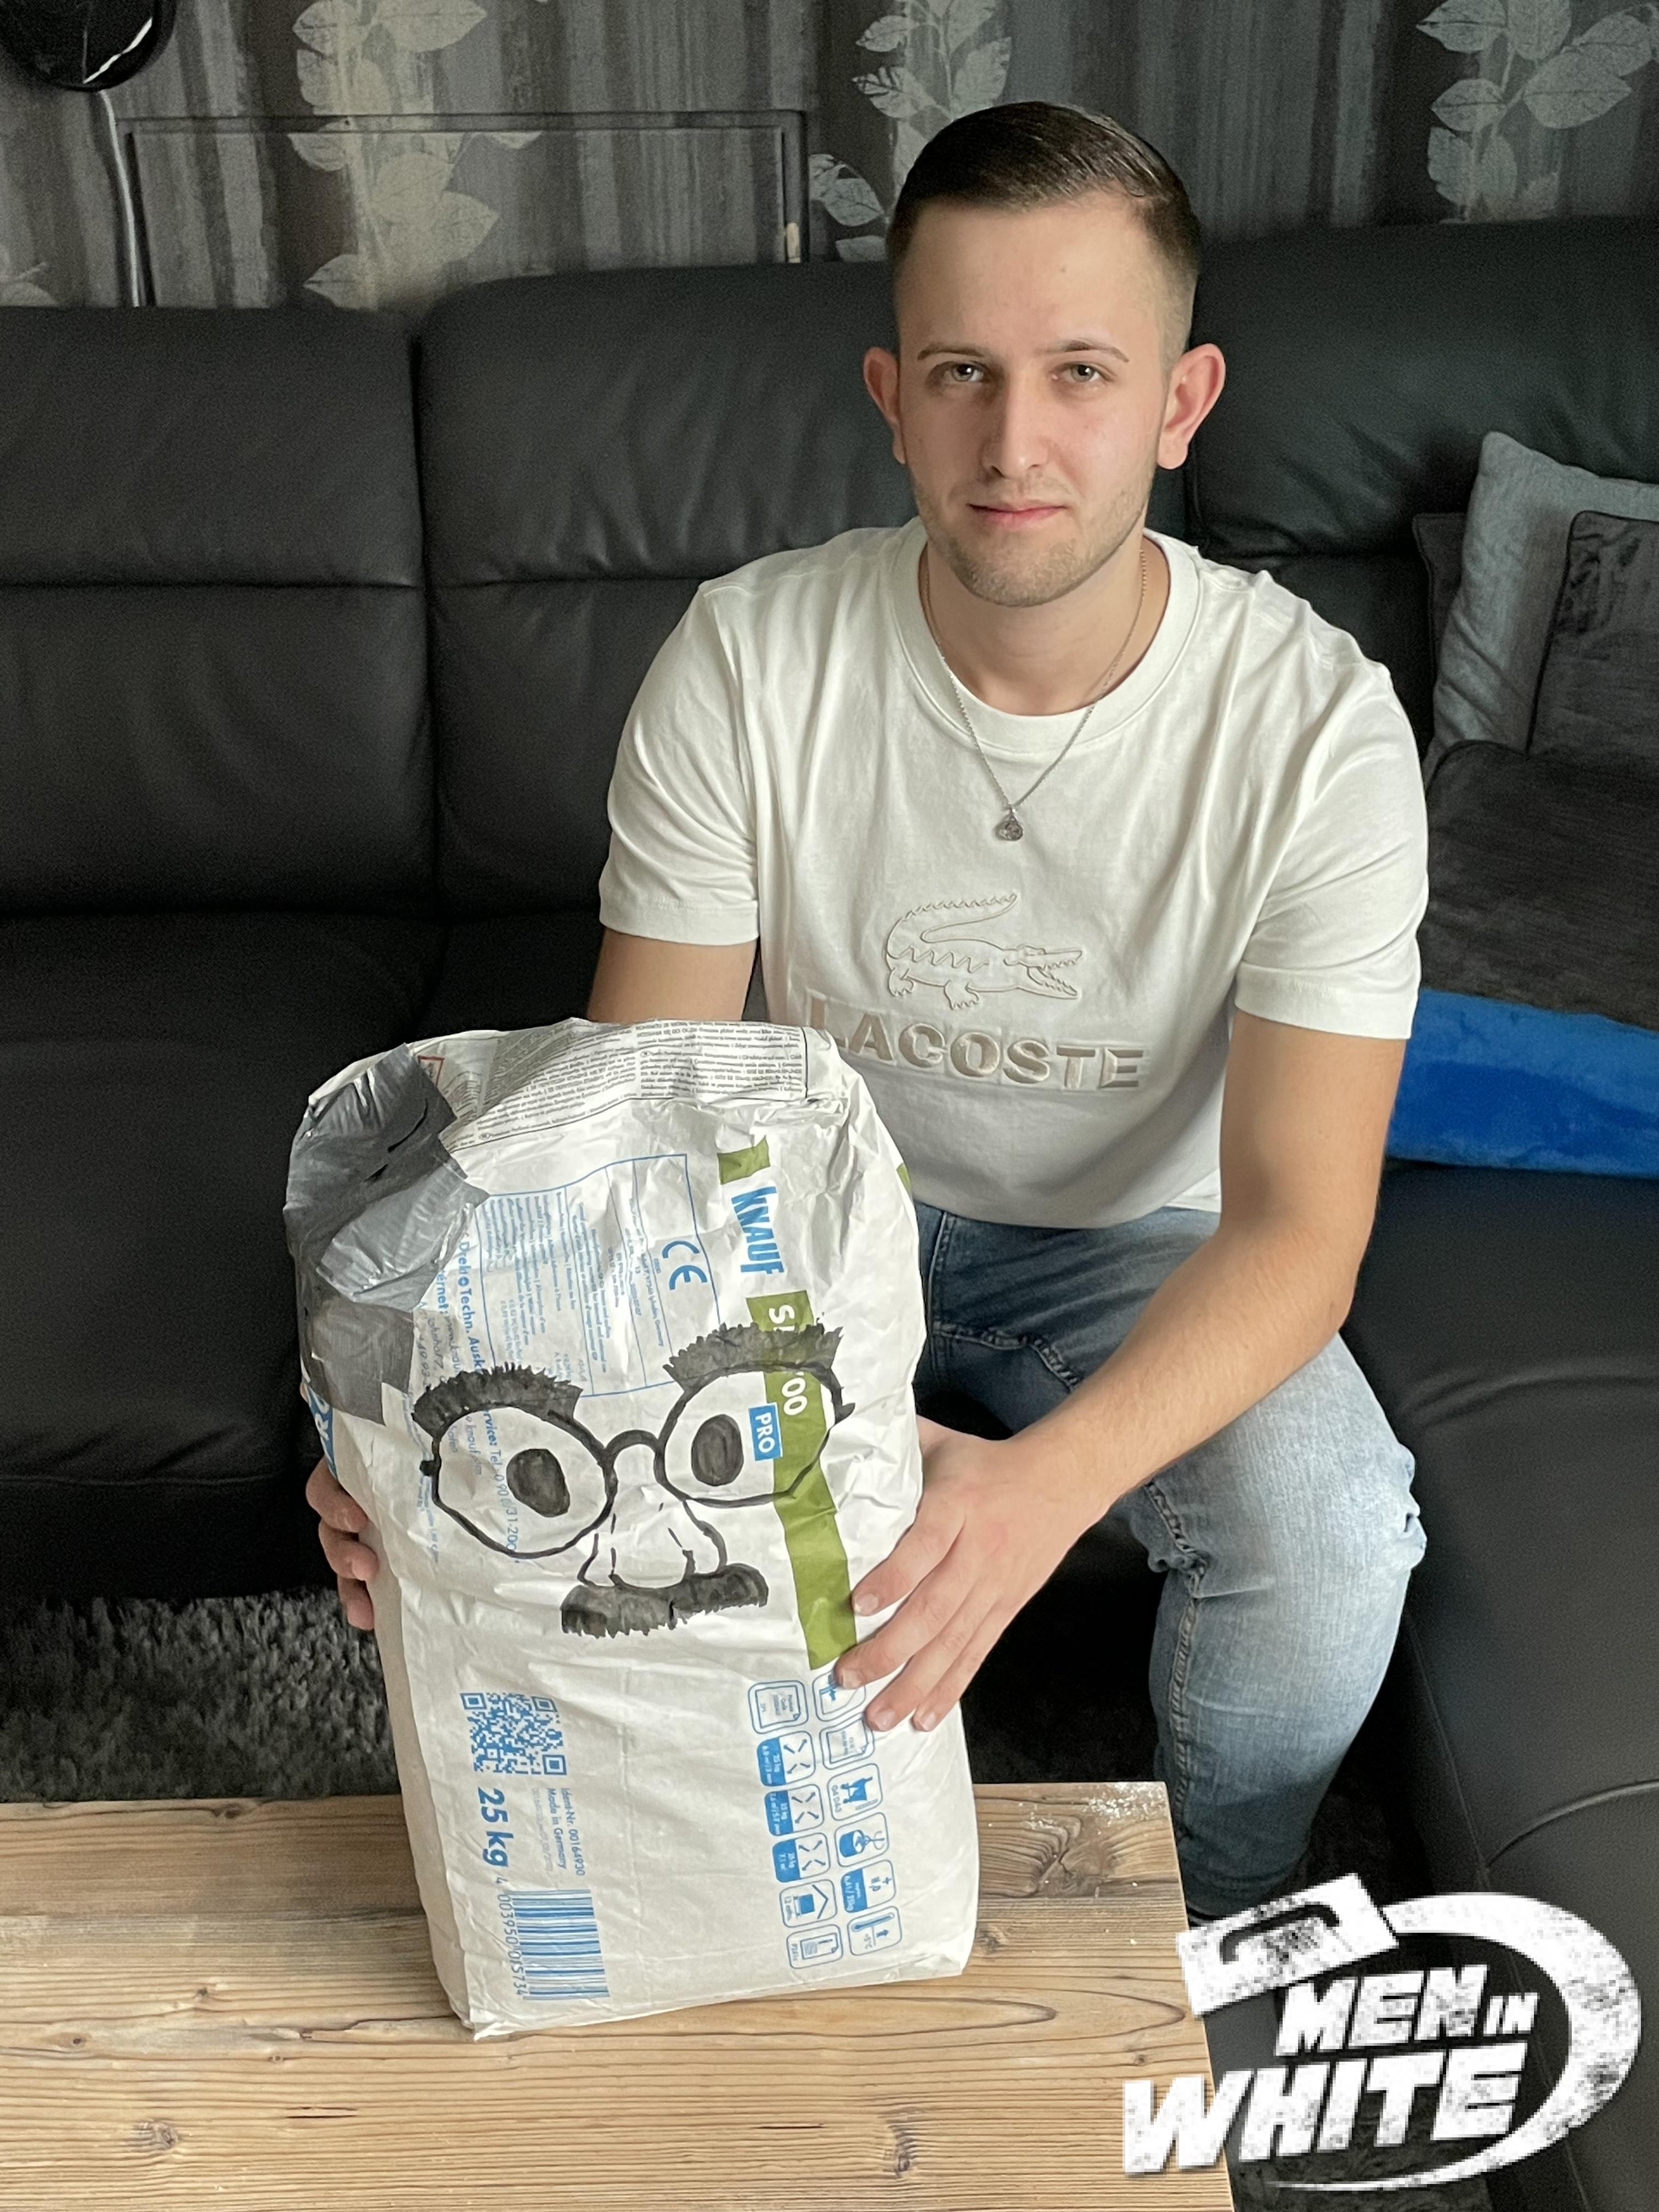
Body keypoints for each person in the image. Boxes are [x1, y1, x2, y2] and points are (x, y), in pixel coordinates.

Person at [309, 99, 1429, 1923]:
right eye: (963, 372)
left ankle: (1203, 1920)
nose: (1014, 441)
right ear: (891, 397)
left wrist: (1040, 1492)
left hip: (1139, 1242)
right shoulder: (749, 658)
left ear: (1181, 403)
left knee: (1337, 1540)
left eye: (1081, 374)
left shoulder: (1318, 728)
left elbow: (1304, 1229)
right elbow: (637, 1129)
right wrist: (419, 1424)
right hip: (791, 1219)